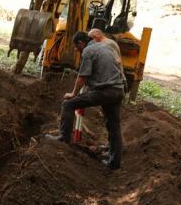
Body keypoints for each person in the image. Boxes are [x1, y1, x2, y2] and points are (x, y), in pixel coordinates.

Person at [46, 31, 125, 169]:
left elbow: (82, 77)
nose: (77, 50)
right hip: (118, 90)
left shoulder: (88, 51)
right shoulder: (106, 47)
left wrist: (73, 93)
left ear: (81, 43)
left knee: (68, 104)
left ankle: (63, 138)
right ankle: (114, 163)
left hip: (105, 91)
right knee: (114, 126)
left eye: (76, 47)